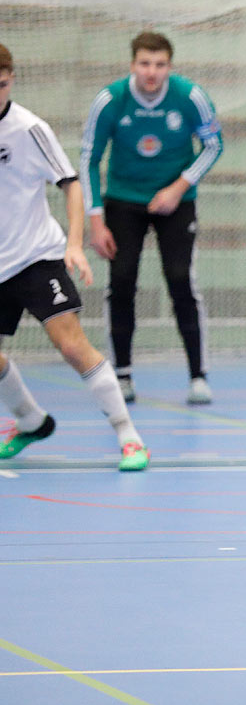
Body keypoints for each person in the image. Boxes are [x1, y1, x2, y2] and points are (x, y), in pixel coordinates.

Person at [0, 44, 149, 471]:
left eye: (3, 84)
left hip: (35, 256)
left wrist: (73, 244)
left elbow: (71, 183)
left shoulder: (29, 128)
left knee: (70, 345)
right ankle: (31, 422)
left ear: (12, 79)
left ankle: (129, 436)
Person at [82, 31, 223, 406]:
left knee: (181, 281)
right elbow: (88, 160)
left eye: (160, 65)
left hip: (175, 203)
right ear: (132, 65)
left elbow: (213, 146)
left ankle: (197, 376)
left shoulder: (189, 97)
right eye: (145, 63)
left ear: (169, 67)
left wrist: (177, 188)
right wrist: (95, 221)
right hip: (123, 203)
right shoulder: (111, 100)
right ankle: (123, 375)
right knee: (122, 281)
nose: (152, 72)